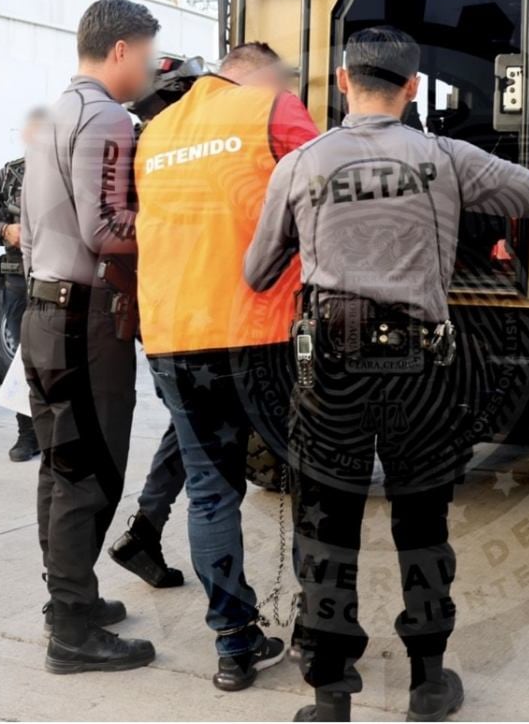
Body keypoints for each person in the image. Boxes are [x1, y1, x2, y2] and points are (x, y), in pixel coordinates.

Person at [244, 26, 529, 722]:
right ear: (412, 87)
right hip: (422, 367)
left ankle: (330, 696)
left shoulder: (301, 164)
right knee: (422, 523)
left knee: (327, 524)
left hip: (331, 367)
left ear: (340, 80)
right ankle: (427, 683)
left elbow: (256, 270)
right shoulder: (447, 158)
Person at [134, 42, 319, 690]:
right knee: (310, 483)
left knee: (211, 493)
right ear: (258, 72)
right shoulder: (270, 107)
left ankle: (234, 648)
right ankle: (316, 636)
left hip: (174, 337)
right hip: (259, 333)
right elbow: (326, 197)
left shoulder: (156, 132)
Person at [20, 0, 158, 674]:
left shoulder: (52, 115)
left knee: (60, 465)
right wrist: (178, 226)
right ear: (123, 49)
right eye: (151, 54)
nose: (155, 68)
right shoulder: (106, 117)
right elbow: (108, 231)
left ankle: (70, 598)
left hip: (45, 310)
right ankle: (70, 630)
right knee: (89, 472)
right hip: (83, 319)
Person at [0, 109, 46, 461]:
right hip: (19, 279)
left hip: (60, 274)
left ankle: (56, 434)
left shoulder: (72, 170)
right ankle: (27, 434)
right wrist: (5, 230)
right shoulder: (10, 173)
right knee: (24, 358)